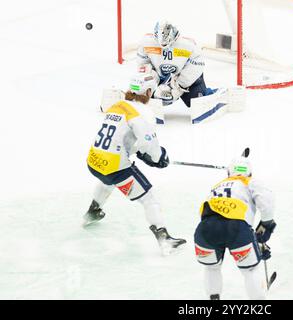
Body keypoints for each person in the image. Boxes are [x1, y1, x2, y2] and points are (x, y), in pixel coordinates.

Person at [85, 71, 186, 255]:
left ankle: (92, 211)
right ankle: (164, 240)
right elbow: (149, 145)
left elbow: (119, 137)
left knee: (107, 180)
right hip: (115, 167)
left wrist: (138, 151)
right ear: (148, 91)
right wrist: (158, 157)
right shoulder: (143, 113)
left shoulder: (118, 105)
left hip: (93, 160)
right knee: (149, 199)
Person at [194, 155, 276, 300]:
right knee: (250, 270)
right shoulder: (250, 181)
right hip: (236, 228)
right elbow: (267, 204)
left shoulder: (217, 185)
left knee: (211, 267)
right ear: (250, 172)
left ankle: (213, 299)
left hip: (206, 229)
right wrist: (265, 226)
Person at [136, 20, 216, 108]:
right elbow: (143, 66)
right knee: (145, 92)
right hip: (161, 77)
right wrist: (153, 82)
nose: (164, 44)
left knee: (197, 103)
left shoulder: (189, 45)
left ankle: (216, 95)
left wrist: (177, 86)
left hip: (184, 79)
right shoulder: (146, 43)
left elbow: (197, 65)